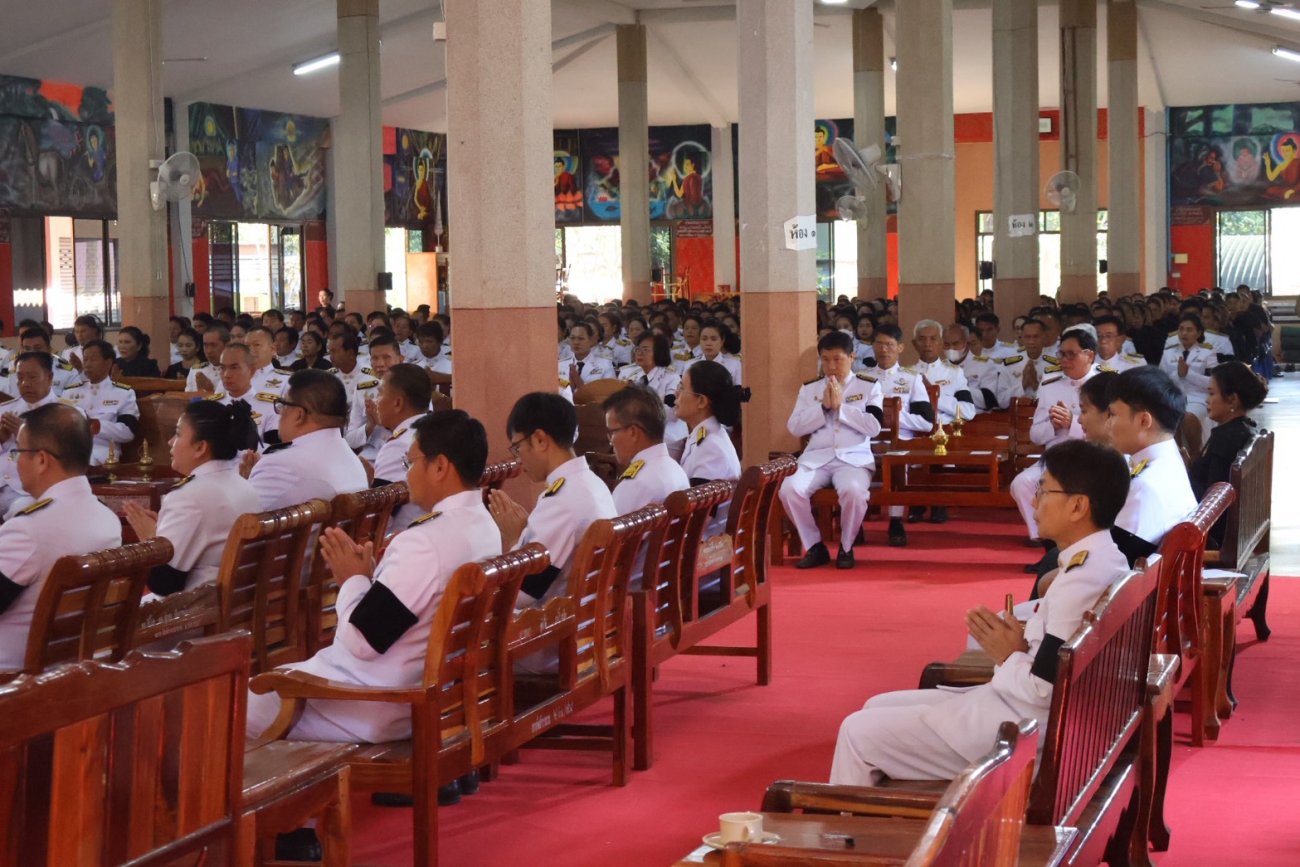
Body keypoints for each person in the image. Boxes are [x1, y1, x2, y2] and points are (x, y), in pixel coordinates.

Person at [830, 439, 1132, 786]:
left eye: (1044, 490)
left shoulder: (1081, 579)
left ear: (1077, 506)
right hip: (1030, 715)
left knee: (856, 732)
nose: (1034, 501)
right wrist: (1020, 646)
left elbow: (1044, 690)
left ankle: (847, 821)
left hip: (1024, 732)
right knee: (874, 706)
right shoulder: (1104, 558)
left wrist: (1008, 654)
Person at [245, 409, 499, 749]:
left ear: (440, 467)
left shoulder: (424, 542)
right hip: (416, 692)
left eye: (411, 464)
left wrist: (352, 579)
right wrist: (368, 580)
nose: (406, 475)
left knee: (226, 709)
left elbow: (362, 642)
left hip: (370, 703)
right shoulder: (484, 526)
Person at [0, 404, 123, 669]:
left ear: (41, 460)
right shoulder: (108, 519)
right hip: (72, 666)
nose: (16, 461)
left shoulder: (29, 529)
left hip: (14, 675)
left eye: (17, 451)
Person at [486, 392, 617, 606]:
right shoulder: (593, 483)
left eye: (517, 447)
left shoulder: (561, 501)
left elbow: (524, 592)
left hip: (562, 620)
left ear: (539, 439)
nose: (518, 460)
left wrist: (515, 540)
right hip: (592, 610)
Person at [123, 400, 261, 595]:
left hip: (200, 607)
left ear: (200, 447)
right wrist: (161, 531)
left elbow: (164, 584)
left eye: (178, 434)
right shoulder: (245, 485)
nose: (170, 442)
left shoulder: (188, 497)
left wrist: (151, 540)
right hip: (240, 600)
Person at [778, 332, 883, 570]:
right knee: (789, 489)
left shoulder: (868, 386)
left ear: (852, 357)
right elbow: (795, 427)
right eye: (825, 360)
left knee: (854, 492)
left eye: (837, 359)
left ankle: (846, 546)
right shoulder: (810, 389)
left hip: (852, 459)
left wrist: (841, 408)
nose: (831, 366)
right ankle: (815, 546)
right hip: (816, 458)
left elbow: (874, 426)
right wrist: (823, 408)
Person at [1008, 327, 1099, 551]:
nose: (1064, 360)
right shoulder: (1050, 384)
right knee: (1021, 483)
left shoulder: (1104, 383)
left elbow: (1108, 431)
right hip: (1056, 459)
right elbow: (1035, 435)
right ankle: (1045, 539)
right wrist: (1052, 424)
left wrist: (1072, 423)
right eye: (1061, 354)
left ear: (1089, 355)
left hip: (1092, 458)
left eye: (1071, 354)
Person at [1105, 366, 1198, 565]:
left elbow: (1113, 562)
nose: (1107, 424)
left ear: (1144, 420)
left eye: (1112, 415)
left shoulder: (1143, 485)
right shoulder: (1169, 454)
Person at [247, 369, 368, 511]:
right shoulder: (353, 460)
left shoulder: (279, 466)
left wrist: (244, 484)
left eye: (283, 405)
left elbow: (239, 520)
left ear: (299, 415)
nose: (280, 413)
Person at [1189, 362, 1266, 547]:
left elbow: (1213, 498)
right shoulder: (1244, 428)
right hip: (1239, 529)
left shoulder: (1226, 439)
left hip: (1213, 535)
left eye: (1212, 393)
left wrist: (1184, 475)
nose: (1207, 400)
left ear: (1232, 400)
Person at [870, 325, 934, 546]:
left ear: (900, 348)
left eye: (889, 345)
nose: (883, 350)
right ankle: (855, 524)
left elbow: (926, 422)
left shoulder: (912, 379)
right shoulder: (863, 378)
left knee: (896, 459)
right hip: (867, 440)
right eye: (879, 344)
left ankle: (895, 520)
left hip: (899, 441)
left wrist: (895, 418)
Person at [0, 353, 80, 515]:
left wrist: (25, 433)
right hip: (3, 482)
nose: (25, 383)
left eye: (32, 377)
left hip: (34, 490)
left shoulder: (68, 413)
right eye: (20, 377)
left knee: (27, 512)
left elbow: (70, 456)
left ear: (49, 377)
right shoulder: (5, 409)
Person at [603, 385, 690, 515]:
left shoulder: (635, 485)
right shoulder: (677, 470)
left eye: (612, 432)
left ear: (633, 432)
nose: (611, 442)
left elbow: (610, 526)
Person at [370, 363, 433, 533]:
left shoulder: (398, 446)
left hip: (405, 537)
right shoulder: (435, 430)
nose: (376, 400)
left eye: (380, 393)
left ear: (397, 403)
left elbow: (377, 519)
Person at [60, 340, 138, 465]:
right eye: (85, 359)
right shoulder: (69, 392)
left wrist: (96, 426)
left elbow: (127, 432)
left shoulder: (123, 393)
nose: (87, 364)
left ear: (108, 363)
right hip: (70, 448)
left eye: (93, 359)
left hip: (103, 451)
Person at [619, 333, 686, 445]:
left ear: (659, 352)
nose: (640, 353)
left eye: (645, 349)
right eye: (638, 349)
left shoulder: (671, 377)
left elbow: (672, 413)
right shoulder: (630, 375)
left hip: (667, 433)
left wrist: (639, 401)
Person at [209, 343, 280, 448]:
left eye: (234, 367)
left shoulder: (270, 406)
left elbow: (274, 448)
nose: (226, 374)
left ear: (252, 371)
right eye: (223, 368)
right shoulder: (211, 405)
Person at [1159, 313, 1216, 438]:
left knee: (1187, 417)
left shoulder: (1207, 353)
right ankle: (1178, 449)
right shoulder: (1168, 352)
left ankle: (1195, 450)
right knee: (1170, 418)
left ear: (1198, 333)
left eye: (1189, 330)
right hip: (1174, 398)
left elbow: (1212, 382)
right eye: (1181, 329)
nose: (1184, 333)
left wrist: (1188, 374)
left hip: (1198, 398)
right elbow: (1161, 381)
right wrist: (1178, 374)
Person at [326, 330, 377, 451]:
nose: (330, 356)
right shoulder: (327, 378)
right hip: (333, 438)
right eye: (329, 351)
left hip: (365, 440)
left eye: (334, 351)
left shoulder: (371, 376)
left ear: (350, 353)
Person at [944, 323, 1002, 413]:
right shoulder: (938, 367)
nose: (951, 348)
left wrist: (957, 388)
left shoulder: (985, 365)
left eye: (956, 343)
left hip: (976, 418)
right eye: (946, 344)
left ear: (966, 343)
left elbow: (988, 400)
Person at [5, 328, 81, 395]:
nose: (32, 353)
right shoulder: (13, 369)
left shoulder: (67, 372)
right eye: (27, 349)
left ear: (48, 349)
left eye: (37, 348)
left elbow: (72, 402)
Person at [997, 318, 1056, 403]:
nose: (1031, 342)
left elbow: (1057, 399)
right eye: (1027, 337)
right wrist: (1023, 385)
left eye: (1036, 337)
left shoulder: (1054, 365)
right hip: (1017, 410)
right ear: (1022, 338)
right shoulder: (1010, 364)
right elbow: (1001, 401)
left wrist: (1036, 385)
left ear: (1044, 337)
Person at [560, 322, 617, 395]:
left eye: (581, 338)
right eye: (572, 338)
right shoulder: (560, 365)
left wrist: (580, 384)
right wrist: (570, 388)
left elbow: (609, 393)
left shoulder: (605, 365)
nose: (576, 342)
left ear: (591, 340)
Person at [187, 325, 229, 392]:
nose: (209, 351)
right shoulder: (196, 370)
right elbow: (188, 396)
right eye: (205, 345)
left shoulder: (236, 371)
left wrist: (209, 391)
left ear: (227, 345)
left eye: (213, 345)